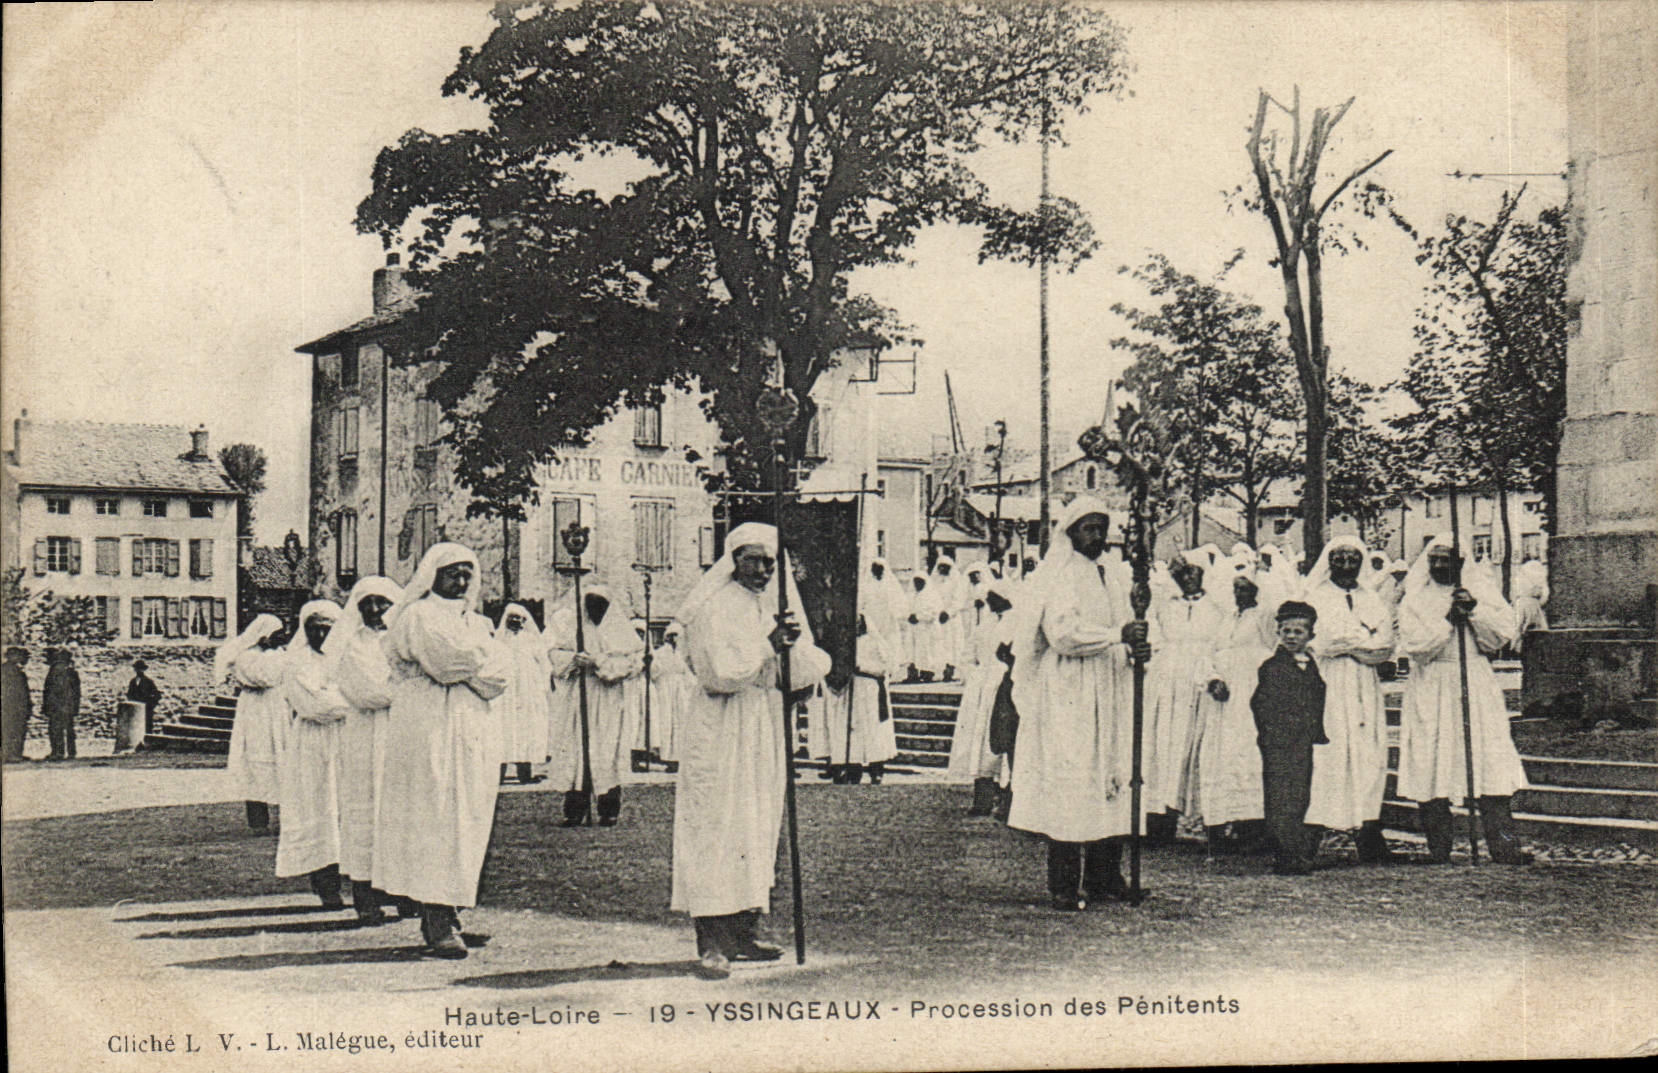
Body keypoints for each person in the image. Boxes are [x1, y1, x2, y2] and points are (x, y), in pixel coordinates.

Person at [671, 523, 831, 978]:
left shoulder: (771, 607)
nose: (763, 569)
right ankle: (711, 942)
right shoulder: (713, 608)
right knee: (716, 827)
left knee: (756, 827)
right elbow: (718, 673)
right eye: (754, 560)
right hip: (721, 727)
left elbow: (797, 672)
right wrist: (767, 647)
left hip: (761, 727)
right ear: (734, 559)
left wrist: (793, 650)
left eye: (770, 562)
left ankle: (744, 931)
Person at [1007, 497, 1149, 911]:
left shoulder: (1112, 574)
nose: (1098, 536)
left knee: (1111, 774)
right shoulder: (1061, 575)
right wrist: (1116, 636)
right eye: (1088, 528)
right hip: (1070, 687)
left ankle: (1106, 877)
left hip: (1108, 682)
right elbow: (1062, 634)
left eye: (1102, 528)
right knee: (1073, 778)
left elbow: (1126, 625)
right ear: (1070, 533)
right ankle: (1065, 883)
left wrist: (1136, 645)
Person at [377, 543, 509, 958]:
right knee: (435, 817)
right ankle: (435, 923)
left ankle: (451, 913)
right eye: (452, 572)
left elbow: (502, 675)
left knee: (465, 818)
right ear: (432, 574)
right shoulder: (418, 615)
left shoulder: (478, 621)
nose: (462, 581)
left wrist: (475, 665)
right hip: (428, 725)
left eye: (468, 573)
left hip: (471, 727)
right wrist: (479, 662)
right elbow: (445, 663)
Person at [1396, 536, 1531, 865]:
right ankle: (1439, 848)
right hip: (1432, 684)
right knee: (1431, 763)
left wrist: (1473, 610)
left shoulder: (1481, 592)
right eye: (1435, 560)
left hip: (1475, 679)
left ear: (1462, 562)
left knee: (1489, 763)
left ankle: (1503, 845)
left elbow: (1500, 637)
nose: (1441, 566)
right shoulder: (1415, 599)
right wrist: (1447, 622)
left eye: (1449, 560)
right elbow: (1417, 647)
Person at [1302, 535, 1398, 865]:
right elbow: (1320, 641)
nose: (1346, 565)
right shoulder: (1315, 596)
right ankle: (1310, 835)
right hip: (1326, 681)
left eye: (1353, 559)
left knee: (1368, 753)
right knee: (1326, 753)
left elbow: (1385, 644)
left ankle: (1368, 832)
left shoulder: (1371, 599)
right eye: (1339, 558)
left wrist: (1353, 645)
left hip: (1363, 685)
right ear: (1328, 561)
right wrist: (1361, 642)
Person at [327, 575, 407, 924]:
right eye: (367, 604)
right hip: (364, 736)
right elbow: (366, 692)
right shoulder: (350, 646)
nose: (375, 610)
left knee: (403, 814)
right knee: (364, 813)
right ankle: (365, 896)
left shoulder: (405, 638)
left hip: (403, 736)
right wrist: (409, 693)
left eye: (383, 603)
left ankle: (407, 895)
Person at [1144, 551, 1228, 842]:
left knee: (1195, 744)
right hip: (1167, 678)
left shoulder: (1218, 607)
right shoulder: (1165, 605)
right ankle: (1159, 818)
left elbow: (1222, 642)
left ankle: (1200, 818)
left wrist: (1213, 674)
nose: (1188, 579)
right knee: (1162, 744)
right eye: (1182, 574)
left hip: (1200, 679)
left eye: (1194, 573)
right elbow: (1153, 632)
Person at [1194, 567, 1276, 854]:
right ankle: (1220, 824)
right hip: (1222, 704)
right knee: (1220, 756)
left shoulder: (1264, 618)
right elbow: (1209, 654)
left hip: (1251, 698)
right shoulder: (1226, 619)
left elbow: (1274, 651)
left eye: (1246, 588)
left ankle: (1254, 827)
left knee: (1249, 756)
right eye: (1236, 588)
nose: (1240, 594)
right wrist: (1213, 680)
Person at [547, 583, 643, 826]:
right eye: (590, 603)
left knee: (605, 752)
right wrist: (574, 659)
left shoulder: (621, 631)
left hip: (608, 700)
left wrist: (598, 662)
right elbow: (556, 655)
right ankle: (575, 809)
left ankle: (608, 809)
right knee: (578, 751)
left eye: (600, 604)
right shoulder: (575, 629)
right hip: (580, 699)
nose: (594, 609)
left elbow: (630, 665)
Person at [276, 599, 349, 911]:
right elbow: (313, 706)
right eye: (313, 629)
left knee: (353, 813)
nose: (321, 635)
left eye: (327, 629)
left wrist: (341, 698)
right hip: (312, 744)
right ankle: (326, 886)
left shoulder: (349, 655)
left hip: (349, 742)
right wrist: (351, 701)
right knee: (320, 813)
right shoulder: (296, 663)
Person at [1250, 601, 1329, 875]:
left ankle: (1295, 850)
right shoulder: (1273, 667)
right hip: (1280, 745)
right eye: (1286, 631)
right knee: (1280, 797)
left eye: (1299, 631)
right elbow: (1260, 704)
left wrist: (1313, 731)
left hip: (1302, 743)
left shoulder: (1311, 665)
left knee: (1299, 796)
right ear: (1278, 633)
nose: (1292, 637)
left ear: (1311, 635)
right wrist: (1273, 735)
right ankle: (1285, 854)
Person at [813, 564, 900, 785]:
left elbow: (887, 666)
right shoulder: (846, 644)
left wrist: (863, 668)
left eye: (860, 623)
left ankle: (876, 767)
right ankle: (851, 767)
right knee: (852, 730)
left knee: (873, 731)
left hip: (870, 690)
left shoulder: (874, 642)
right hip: (852, 689)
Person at [948, 585, 1016, 814]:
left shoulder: (1016, 624)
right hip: (981, 692)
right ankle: (983, 800)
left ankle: (1007, 800)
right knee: (980, 747)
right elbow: (967, 657)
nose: (991, 602)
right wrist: (974, 675)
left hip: (1005, 689)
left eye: (995, 597)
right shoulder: (982, 626)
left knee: (1003, 744)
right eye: (990, 598)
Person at [217, 616, 288, 834]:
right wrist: (281, 662)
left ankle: (288, 818)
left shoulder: (278, 655)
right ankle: (258, 820)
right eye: (277, 635)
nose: (282, 639)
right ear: (264, 636)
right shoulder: (246, 657)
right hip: (256, 713)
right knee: (256, 763)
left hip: (278, 709)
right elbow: (267, 678)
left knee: (285, 761)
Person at [493, 604, 552, 785]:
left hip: (527, 692)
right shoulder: (499, 640)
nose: (515, 621)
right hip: (506, 694)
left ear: (525, 621)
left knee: (526, 729)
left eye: (519, 618)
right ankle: (498, 775)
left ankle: (524, 773)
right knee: (503, 729)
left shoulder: (531, 640)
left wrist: (542, 687)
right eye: (512, 617)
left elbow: (544, 664)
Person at [649, 624, 691, 766]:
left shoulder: (682, 654)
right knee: (666, 720)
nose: (675, 639)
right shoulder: (660, 653)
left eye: (677, 636)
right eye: (672, 636)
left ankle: (678, 758)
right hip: (665, 688)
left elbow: (688, 674)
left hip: (679, 689)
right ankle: (665, 756)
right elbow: (654, 672)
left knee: (679, 721)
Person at [42, 647, 81, 761]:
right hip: (68, 705)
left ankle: (58, 752)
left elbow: (54, 690)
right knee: (69, 729)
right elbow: (76, 691)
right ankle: (71, 752)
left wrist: (48, 705)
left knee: (56, 729)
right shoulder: (70, 670)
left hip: (58, 706)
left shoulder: (56, 669)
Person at [1512, 560, 1550, 654]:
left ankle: (1515, 648)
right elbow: (1544, 595)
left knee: (1519, 626)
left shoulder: (1520, 574)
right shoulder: (1539, 572)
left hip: (1521, 601)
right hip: (1533, 603)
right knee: (1536, 627)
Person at [2, 647, 32, 762]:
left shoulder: (17, 671)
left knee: (18, 730)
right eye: (16, 655)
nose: (19, 658)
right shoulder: (7, 671)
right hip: (11, 707)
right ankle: (10, 754)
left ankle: (16, 753)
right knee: (11, 730)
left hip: (18, 706)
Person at [126, 659, 164, 736]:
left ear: (143, 670)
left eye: (140, 668)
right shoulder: (132, 681)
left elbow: (157, 695)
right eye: (137, 668)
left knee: (147, 729)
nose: (139, 670)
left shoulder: (149, 682)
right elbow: (129, 694)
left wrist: (150, 705)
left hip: (146, 710)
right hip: (135, 711)